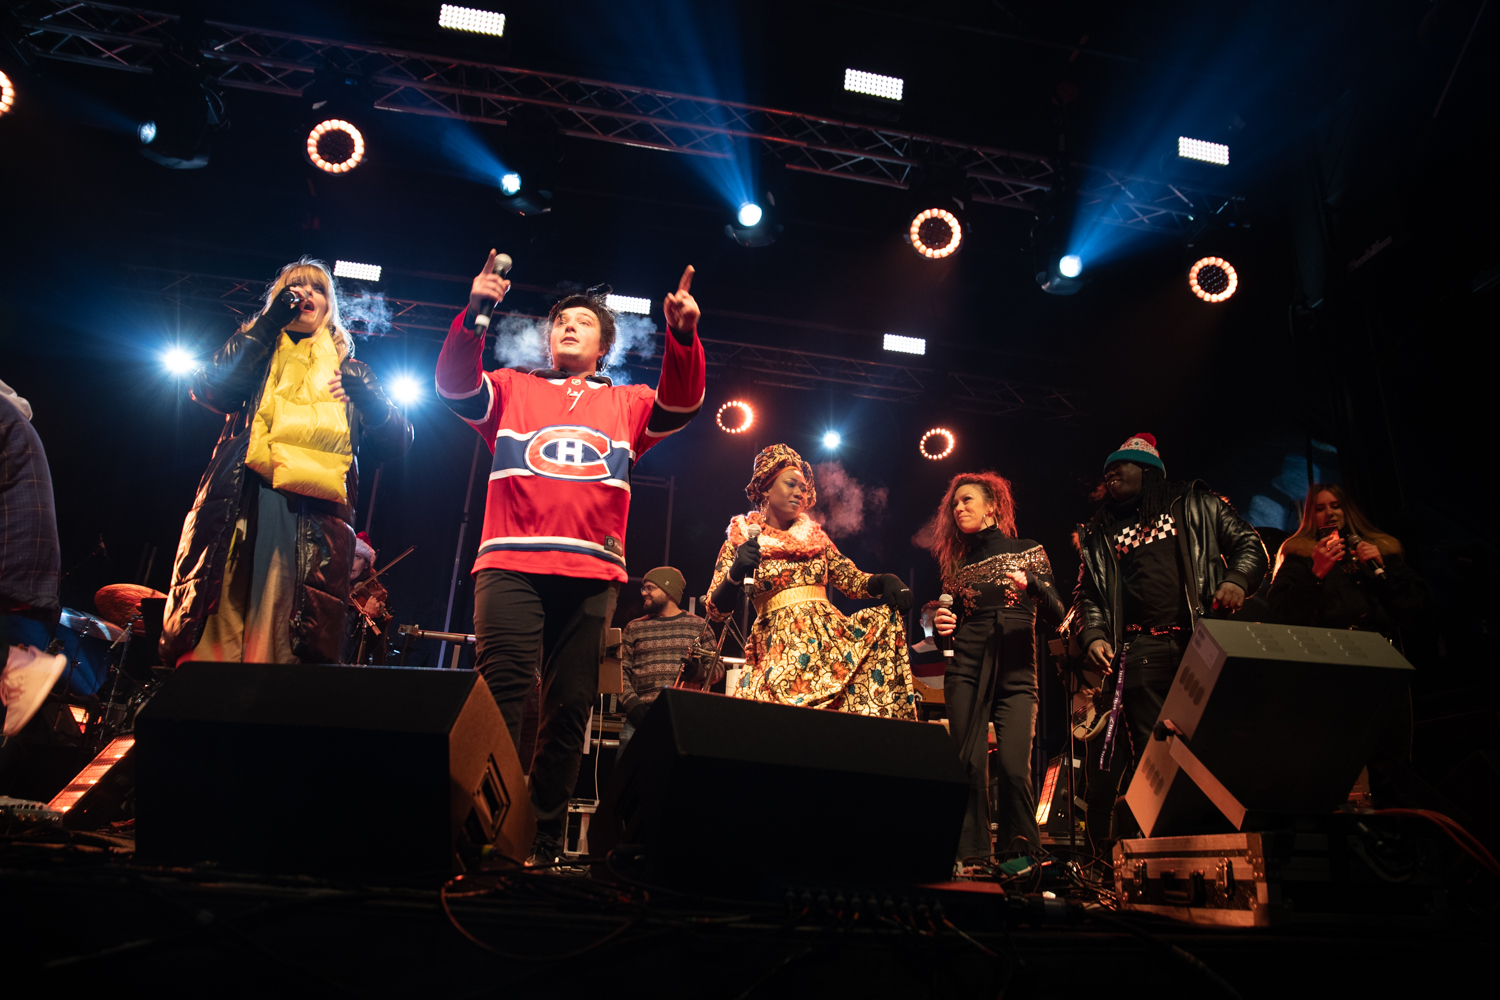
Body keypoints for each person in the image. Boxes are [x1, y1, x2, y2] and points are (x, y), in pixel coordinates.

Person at [436, 253, 706, 867]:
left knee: (569, 713)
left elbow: (682, 404)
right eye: (560, 322)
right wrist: (474, 314)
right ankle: (479, 837)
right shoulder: (511, 388)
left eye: (583, 323)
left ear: (603, 344)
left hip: (589, 574)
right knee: (502, 699)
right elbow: (454, 386)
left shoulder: (630, 403)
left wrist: (683, 337)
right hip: (507, 564)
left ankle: (543, 843)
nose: (568, 328)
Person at [161, 259, 413, 667]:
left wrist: (370, 400)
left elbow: (397, 444)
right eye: (294, 288)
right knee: (215, 637)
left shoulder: (350, 372)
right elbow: (211, 389)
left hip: (307, 522)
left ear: (330, 306)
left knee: (279, 648)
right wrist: (267, 323)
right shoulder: (255, 355)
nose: (305, 295)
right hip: (239, 506)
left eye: (316, 289)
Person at [1070, 433, 1266, 843]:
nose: (1110, 472)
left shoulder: (1195, 503)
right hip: (1140, 650)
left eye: (1120, 464)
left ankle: (1218, 839)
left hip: (1202, 642)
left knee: (1212, 743)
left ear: (1148, 471)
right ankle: (1168, 847)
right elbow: (1088, 594)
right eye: (1107, 468)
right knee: (1153, 752)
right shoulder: (1100, 530)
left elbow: (1249, 544)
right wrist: (1093, 634)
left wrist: (1236, 579)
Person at [704, 444, 916, 718]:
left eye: (803, 489)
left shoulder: (816, 539)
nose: (799, 493)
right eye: (791, 484)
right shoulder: (740, 541)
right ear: (766, 488)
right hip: (776, 649)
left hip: (829, 648)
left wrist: (886, 580)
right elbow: (716, 610)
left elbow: (851, 580)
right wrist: (735, 572)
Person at [929, 471, 1067, 861]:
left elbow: (1059, 611)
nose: (958, 508)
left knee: (1013, 770)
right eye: (954, 504)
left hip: (1017, 665)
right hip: (968, 664)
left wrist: (1033, 587)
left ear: (992, 506)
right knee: (969, 767)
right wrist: (942, 626)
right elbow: (946, 624)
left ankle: (1020, 861)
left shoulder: (1028, 551)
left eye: (967, 500)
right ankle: (969, 860)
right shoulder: (958, 568)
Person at [1267, 484, 1424, 641]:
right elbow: (1283, 612)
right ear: (1311, 516)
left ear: (1347, 510)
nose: (1330, 513)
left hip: (1380, 644)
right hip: (1327, 646)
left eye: (1336, 506)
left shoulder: (1380, 548)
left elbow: (1419, 607)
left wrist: (1383, 569)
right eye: (1320, 509)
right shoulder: (1300, 553)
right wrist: (1316, 574)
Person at [0, 378, 68, 737]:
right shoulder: (9, 414)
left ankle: (20, 663)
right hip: (26, 566)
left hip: (12, 559)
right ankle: (19, 663)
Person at [618, 566, 720, 748]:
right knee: (627, 776)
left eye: (650, 588)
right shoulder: (634, 628)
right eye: (644, 588)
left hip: (684, 719)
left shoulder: (699, 626)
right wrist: (633, 705)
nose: (644, 593)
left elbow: (718, 669)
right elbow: (618, 673)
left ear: (669, 591)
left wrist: (700, 672)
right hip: (640, 719)